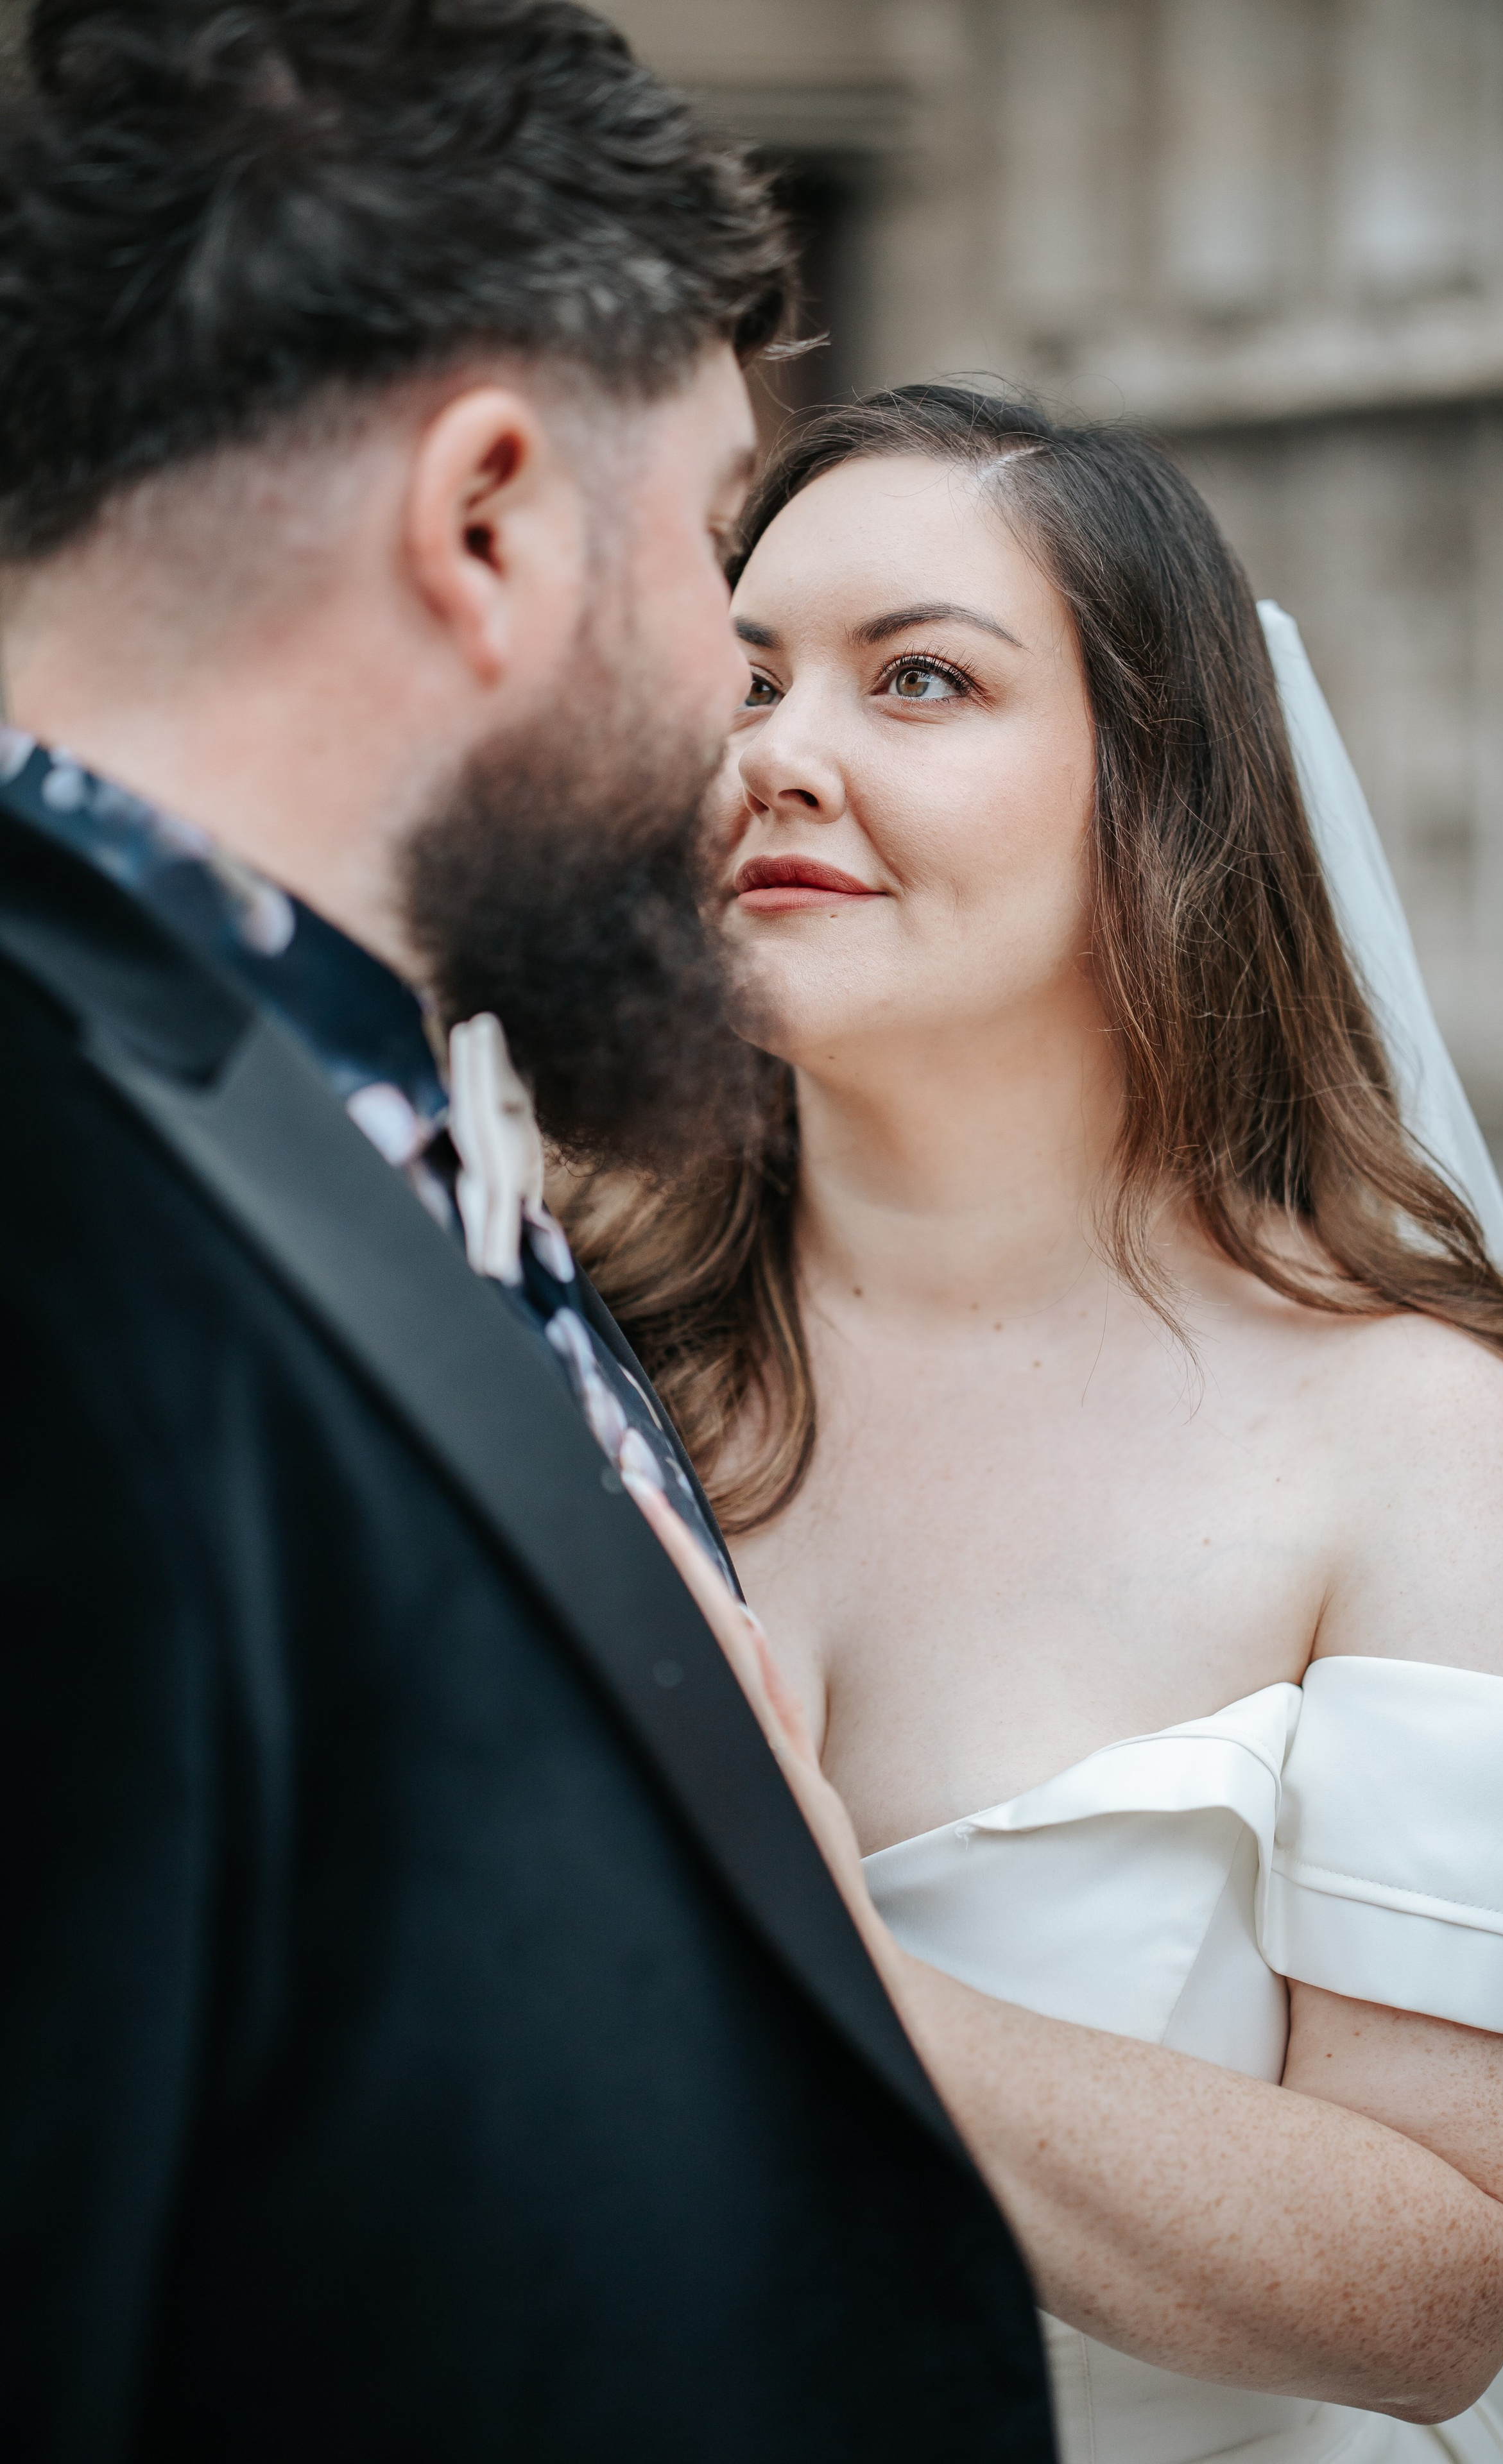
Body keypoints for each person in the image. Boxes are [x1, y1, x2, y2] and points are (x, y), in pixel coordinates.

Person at [0, 17, 1059, 2461]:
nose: (738, 700)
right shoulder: (53, 1235)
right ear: (488, 522)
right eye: (710, 552)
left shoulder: (330, 1094)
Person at [573, 386, 1503, 2464]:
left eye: (922, 680)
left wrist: (811, 1947)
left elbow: (1447, 2283)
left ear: (1149, 794)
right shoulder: (553, 1336)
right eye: (742, 674)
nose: (777, 751)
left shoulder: (1406, 1431)